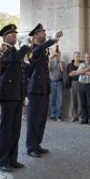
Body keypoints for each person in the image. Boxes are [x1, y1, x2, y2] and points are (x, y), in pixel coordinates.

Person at [0, 24, 31, 171]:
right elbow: (12, 59)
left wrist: (24, 94)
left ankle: (12, 158)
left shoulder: (16, 51)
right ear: (5, 37)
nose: (15, 37)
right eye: (12, 35)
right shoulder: (1, 50)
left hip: (17, 93)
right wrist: (24, 47)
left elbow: (22, 73)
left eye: (16, 35)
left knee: (15, 128)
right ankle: (3, 160)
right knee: (6, 128)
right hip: (8, 94)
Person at [26, 24, 62, 158]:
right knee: (34, 119)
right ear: (36, 36)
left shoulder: (43, 50)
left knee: (41, 119)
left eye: (45, 33)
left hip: (43, 87)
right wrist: (52, 41)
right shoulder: (33, 49)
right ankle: (30, 147)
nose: (45, 34)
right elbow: (38, 50)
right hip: (35, 88)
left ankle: (37, 144)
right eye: (42, 33)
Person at [77, 52, 90, 125]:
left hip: (89, 85)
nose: (88, 58)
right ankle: (84, 118)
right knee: (82, 102)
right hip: (81, 85)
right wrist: (86, 71)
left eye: (89, 57)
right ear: (84, 58)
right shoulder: (81, 64)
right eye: (87, 57)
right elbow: (78, 72)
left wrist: (83, 72)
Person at [65, 51, 81, 122]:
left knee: (80, 100)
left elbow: (84, 72)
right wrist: (79, 72)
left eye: (78, 56)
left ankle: (80, 115)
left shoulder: (82, 64)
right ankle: (74, 116)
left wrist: (75, 72)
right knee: (73, 100)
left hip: (81, 83)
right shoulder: (70, 65)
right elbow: (70, 74)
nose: (77, 57)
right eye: (76, 56)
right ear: (73, 57)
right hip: (73, 83)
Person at [48, 50, 64, 121]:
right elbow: (49, 68)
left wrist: (59, 60)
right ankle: (53, 114)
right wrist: (51, 58)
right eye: (56, 55)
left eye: (58, 55)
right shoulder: (51, 62)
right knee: (52, 99)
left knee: (60, 99)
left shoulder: (62, 63)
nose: (57, 56)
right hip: (52, 82)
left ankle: (59, 115)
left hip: (59, 82)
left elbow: (62, 69)